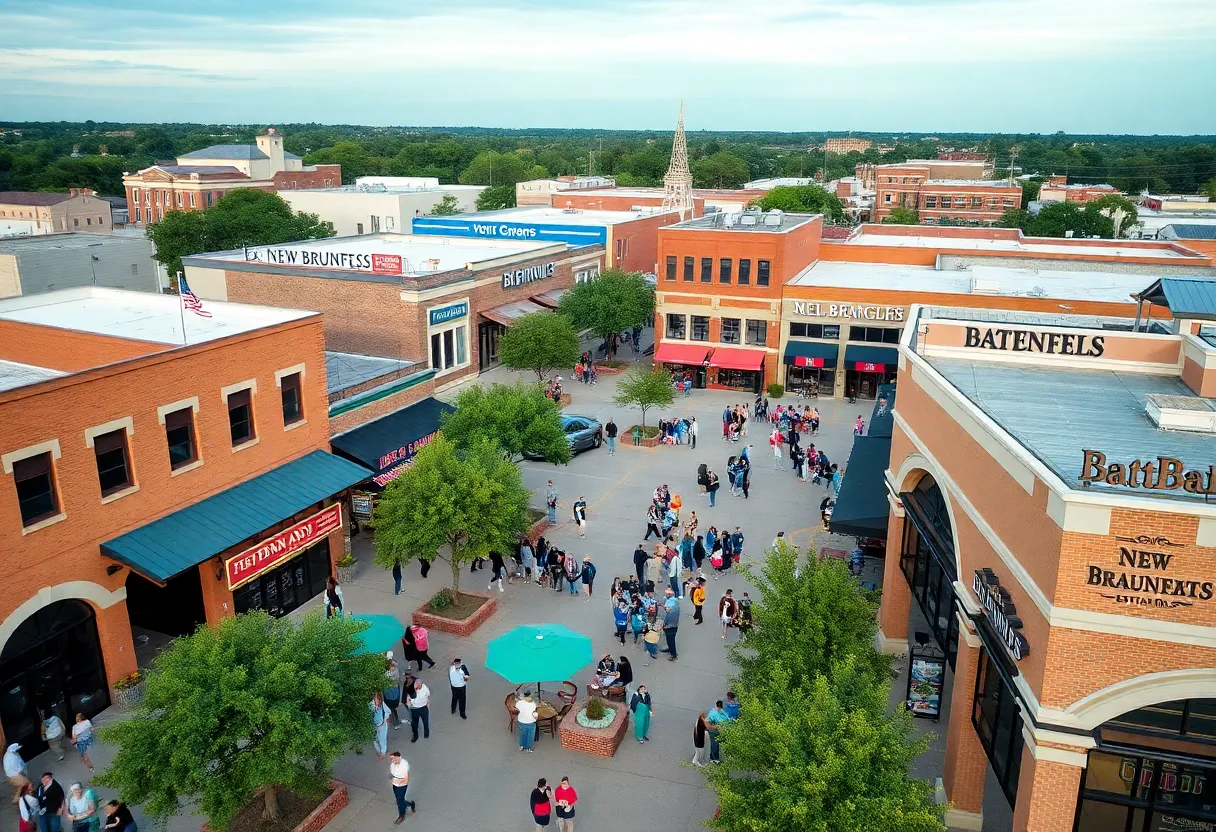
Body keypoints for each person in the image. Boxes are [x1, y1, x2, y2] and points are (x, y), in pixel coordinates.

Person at [388, 752, 417, 824]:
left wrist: (399, 782)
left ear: (398, 758)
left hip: (401, 786)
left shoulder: (403, 765)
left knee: (400, 802)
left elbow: (406, 779)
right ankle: (410, 804)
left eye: (393, 759)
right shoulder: (394, 763)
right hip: (395, 784)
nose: (392, 760)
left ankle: (402, 815)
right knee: (399, 799)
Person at [659, 589, 680, 661]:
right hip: (675, 624)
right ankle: (670, 649)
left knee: (670, 640)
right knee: (671, 639)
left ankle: (673, 655)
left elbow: (665, 616)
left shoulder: (668, 605)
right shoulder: (676, 601)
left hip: (669, 626)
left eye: (666, 594)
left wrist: (662, 625)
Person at [383, 653, 402, 729]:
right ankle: (395, 722)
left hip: (391, 693)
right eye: (392, 667)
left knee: (391, 708)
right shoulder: (393, 672)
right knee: (392, 709)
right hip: (392, 692)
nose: (393, 668)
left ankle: (394, 721)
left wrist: (388, 660)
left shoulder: (386, 674)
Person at [370, 692, 391, 759]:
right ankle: (379, 751)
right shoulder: (370, 705)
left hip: (382, 726)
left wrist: (387, 719)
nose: (376, 700)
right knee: (374, 740)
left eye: (377, 699)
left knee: (382, 740)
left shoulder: (382, 704)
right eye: (374, 699)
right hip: (374, 726)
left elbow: (388, 711)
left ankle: (383, 753)